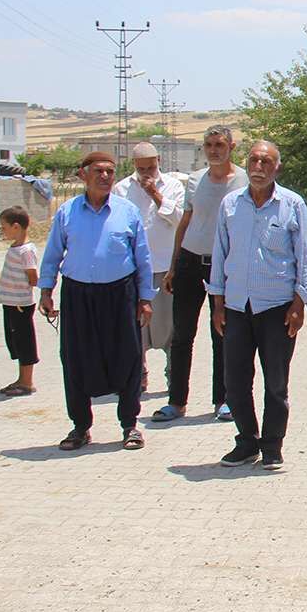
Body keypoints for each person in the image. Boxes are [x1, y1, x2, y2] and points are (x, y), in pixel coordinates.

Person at [209, 141, 307, 472]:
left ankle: (272, 446)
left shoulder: (292, 205)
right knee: (235, 381)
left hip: (277, 308)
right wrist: (218, 303)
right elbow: (220, 253)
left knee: (276, 383)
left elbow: (304, 258)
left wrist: (299, 303)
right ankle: (246, 442)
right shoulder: (230, 205)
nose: (258, 167)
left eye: (266, 161)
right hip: (236, 306)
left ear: (277, 167)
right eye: (254, 160)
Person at [39, 151, 155, 452]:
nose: (105, 177)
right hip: (78, 295)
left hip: (120, 294)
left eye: (110, 171)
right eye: (99, 171)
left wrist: (145, 298)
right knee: (75, 357)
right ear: (83, 175)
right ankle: (80, 427)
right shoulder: (67, 212)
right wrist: (46, 290)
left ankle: (130, 425)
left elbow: (143, 258)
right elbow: (53, 254)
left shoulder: (127, 211)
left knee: (127, 357)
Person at [156, 126, 246, 423]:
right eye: (208, 145)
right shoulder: (195, 180)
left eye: (219, 144)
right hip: (190, 262)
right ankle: (176, 402)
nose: (214, 150)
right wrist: (173, 265)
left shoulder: (244, 180)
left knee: (222, 333)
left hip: (225, 265)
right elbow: (185, 221)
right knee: (182, 334)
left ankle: (224, 400)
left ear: (231, 147)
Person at [113, 141, 185, 392]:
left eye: (151, 168)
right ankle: (138, 375)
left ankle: (173, 377)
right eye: (141, 168)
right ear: (134, 165)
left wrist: (155, 194)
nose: (146, 173)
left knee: (171, 327)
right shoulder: (122, 189)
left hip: (166, 268)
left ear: (158, 162)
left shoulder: (173, 186)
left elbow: (179, 220)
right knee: (135, 328)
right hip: (134, 270)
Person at [0, 206, 39, 396]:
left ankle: (27, 382)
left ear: (15, 227)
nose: (2, 231)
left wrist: (23, 291)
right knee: (15, 342)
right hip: (11, 303)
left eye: (3, 227)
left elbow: (33, 277)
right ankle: (21, 379)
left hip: (20, 304)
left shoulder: (26, 251)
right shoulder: (15, 248)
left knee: (24, 341)